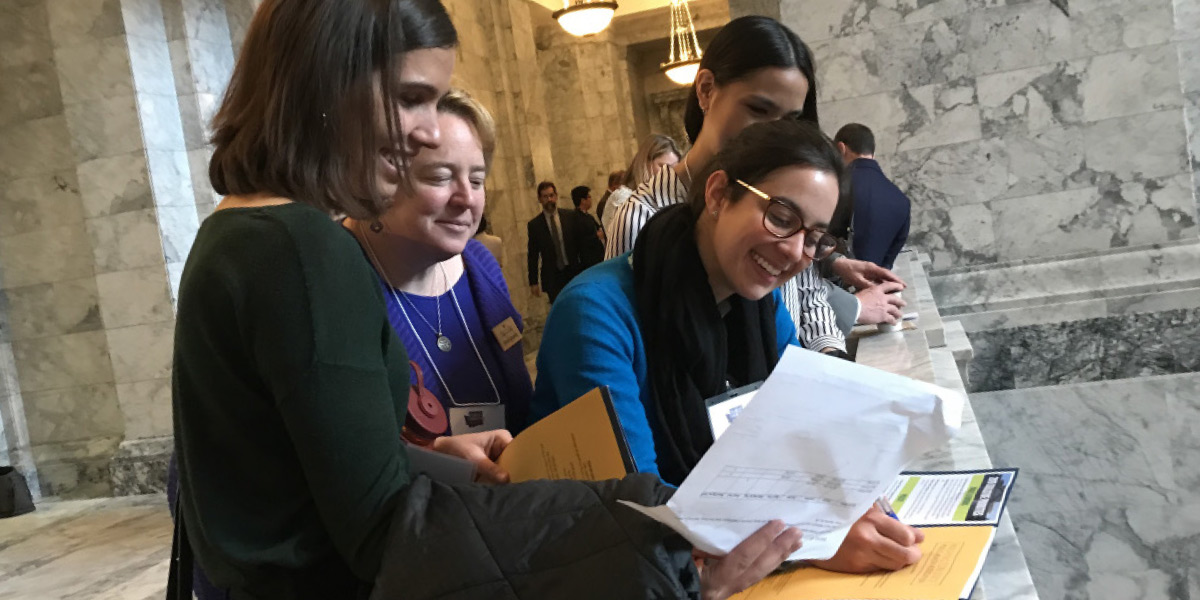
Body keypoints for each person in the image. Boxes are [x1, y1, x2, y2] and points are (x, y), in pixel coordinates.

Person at [172, 1, 792, 597]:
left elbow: (301, 469)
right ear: (329, 82)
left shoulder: (238, 230)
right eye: (412, 98)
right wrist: (646, 536)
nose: (423, 132)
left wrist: (434, 461)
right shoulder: (301, 247)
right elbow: (387, 537)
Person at [532, 119, 925, 575]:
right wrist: (814, 540)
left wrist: (851, 501)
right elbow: (638, 513)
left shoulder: (761, 305)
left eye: (815, 238)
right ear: (718, 194)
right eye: (781, 217)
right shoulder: (595, 313)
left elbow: (800, 429)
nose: (795, 250)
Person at [603, 16, 906, 350]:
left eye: (791, 121)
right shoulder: (641, 217)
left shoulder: (790, 198)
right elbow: (636, 351)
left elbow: (807, 294)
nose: (777, 136)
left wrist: (828, 357)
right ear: (706, 90)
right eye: (759, 109)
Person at [344, 90, 531, 439]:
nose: (467, 199)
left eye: (476, 180)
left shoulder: (481, 265)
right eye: (441, 177)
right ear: (378, 181)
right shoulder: (341, 282)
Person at [834, 123, 911, 270]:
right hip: (876, 286)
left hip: (833, 287)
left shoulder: (834, 187)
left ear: (841, 149)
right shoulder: (901, 200)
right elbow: (889, 259)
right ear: (872, 154)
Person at [601, 134, 682, 236]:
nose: (668, 173)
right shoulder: (623, 197)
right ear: (645, 163)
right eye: (663, 166)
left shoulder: (665, 196)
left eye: (673, 169)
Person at [527, 181, 587, 303]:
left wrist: (585, 269)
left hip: (573, 271)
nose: (549, 199)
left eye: (551, 195)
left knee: (578, 304)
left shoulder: (570, 216)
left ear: (556, 196)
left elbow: (581, 244)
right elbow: (533, 254)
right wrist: (533, 281)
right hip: (552, 277)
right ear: (539, 199)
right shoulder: (535, 225)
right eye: (545, 196)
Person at [570, 184, 606, 267]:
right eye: (589, 197)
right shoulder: (576, 218)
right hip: (589, 261)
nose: (591, 199)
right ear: (583, 200)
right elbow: (581, 240)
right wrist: (597, 236)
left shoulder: (588, 216)